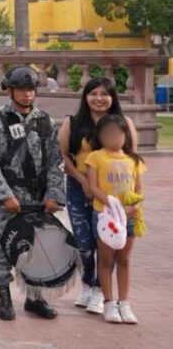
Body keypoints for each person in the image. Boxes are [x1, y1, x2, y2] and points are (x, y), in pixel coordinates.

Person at [0, 66, 65, 321]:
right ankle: (3, 296)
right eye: (21, 90)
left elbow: (54, 162)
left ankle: (34, 297)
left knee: (39, 248)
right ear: (10, 90)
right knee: (0, 246)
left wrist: (54, 195)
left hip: (38, 198)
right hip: (9, 198)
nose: (27, 95)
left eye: (30, 89)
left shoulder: (45, 121)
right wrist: (4, 195)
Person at [57, 78, 139, 313]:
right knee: (84, 242)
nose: (99, 98)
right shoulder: (72, 123)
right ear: (85, 96)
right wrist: (82, 181)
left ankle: (100, 291)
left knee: (108, 241)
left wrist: (132, 198)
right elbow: (64, 156)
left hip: (112, 195)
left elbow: (131, 160)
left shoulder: (124, 123)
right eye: (94, 93)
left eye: (105, 94)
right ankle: (88, 283)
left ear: (113, 98)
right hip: (78, 187)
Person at [85, 114, 146, 324]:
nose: (113, 137)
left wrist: (133, 207)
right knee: (105, 259)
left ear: (125, 135)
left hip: (128, 217)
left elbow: (139, 189)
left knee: (124, 259)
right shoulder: (95, 157)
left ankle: (124, 303)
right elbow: (93, 187)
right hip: (105, 216)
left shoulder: (133, 160)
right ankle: (108, 302)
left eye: (117, 133)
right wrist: (113, 205)